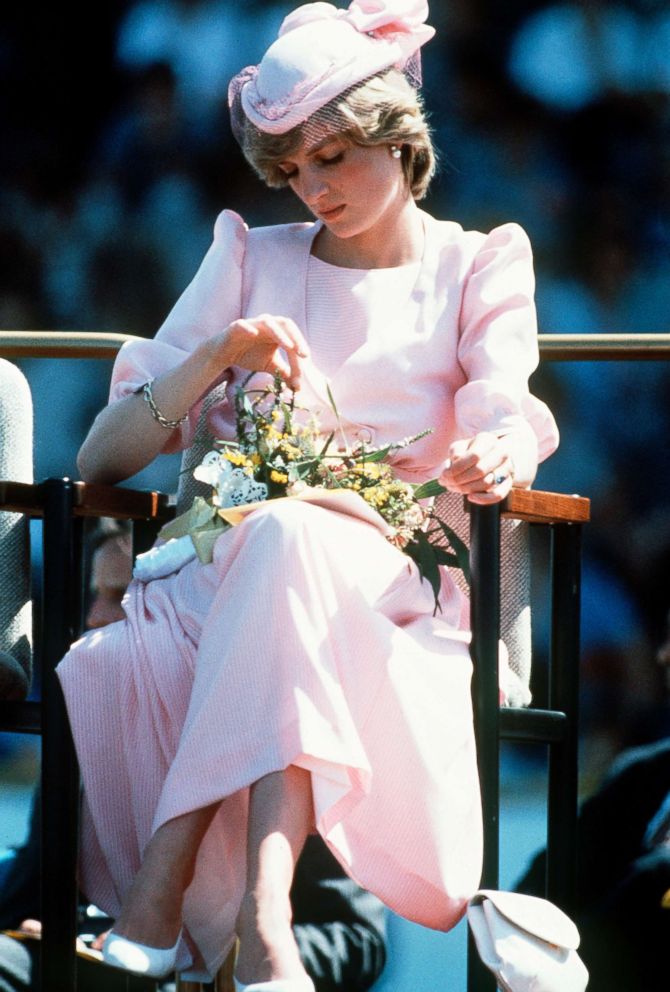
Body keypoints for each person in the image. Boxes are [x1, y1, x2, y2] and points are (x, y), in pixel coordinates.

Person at [56, 2, 559, 990]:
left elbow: (508, 405)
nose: (312, 187)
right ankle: (262, 923)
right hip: (228, 565)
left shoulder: (478, 261)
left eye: (331, 156)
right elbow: (104, 453)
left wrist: (499, 453)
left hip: (389, 582)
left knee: (288, 540)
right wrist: (216, 356)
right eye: (291, 167)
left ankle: (165, 894)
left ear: (398, 138)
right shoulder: (250, 254)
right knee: (277, 543)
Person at [0, 522, 387, 992]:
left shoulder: (295, 726)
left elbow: (357, 940)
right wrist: (45, 926)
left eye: (122, 595)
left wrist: (208, 955)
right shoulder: (90, 705)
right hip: (70, 960)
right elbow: (28, 880)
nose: (97, 617)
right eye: (96, 595)